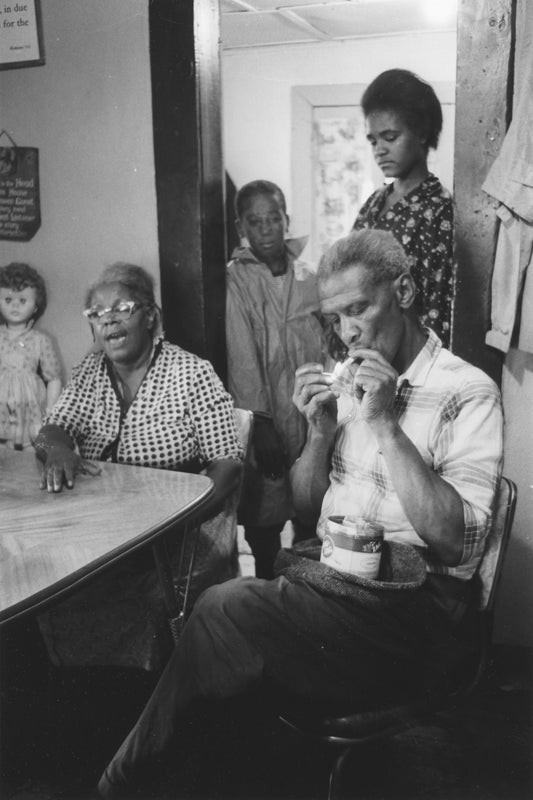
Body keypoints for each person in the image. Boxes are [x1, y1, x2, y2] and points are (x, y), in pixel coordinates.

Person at [97, 229, 503, 798]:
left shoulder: (468, 391)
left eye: (359, 309)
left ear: (405, 290)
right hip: (340, 590)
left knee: (222, 611)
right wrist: (319, 433)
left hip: (417, 615)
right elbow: (307, 508)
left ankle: (123, 781)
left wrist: (385, 424)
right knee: (225, 650)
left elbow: (456, 545)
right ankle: (179, 772)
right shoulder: (355, 380)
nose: (348, 332)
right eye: (335, 319)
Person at [34, 262, 243, 670]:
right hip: (102, 536)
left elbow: (228, 465)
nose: (107, 318)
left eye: (121, 307)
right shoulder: (89, 374)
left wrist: (177, 516)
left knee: (137, 606)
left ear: (150, 316)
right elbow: (50, 431)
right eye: (95, 313)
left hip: (176, 540)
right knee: (49, 590)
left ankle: (137, 699)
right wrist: (57, 449)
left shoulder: (192, 373)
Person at [226, 179, 327, 578]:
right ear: (241, 228)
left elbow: (328, 340)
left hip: (307, 413)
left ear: (287, 220)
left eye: (273, 218)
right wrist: (260, 421)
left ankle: (304, 584)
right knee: (263, 509)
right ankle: (267, 582)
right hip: (264, 417)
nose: (266, 228)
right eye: (255, 221)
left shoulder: (309, 276)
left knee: (310, 502)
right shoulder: (236, 279)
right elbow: (242, 356)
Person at [352, 69, 455, 347]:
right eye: (373, 140)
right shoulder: (373, 204)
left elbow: (437, 304)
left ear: (421, 132)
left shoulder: (439, 209)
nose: (379, 150)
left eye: (390, 137)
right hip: (362, 348)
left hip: (409, 358)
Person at [0, 262, 62, 449]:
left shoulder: (40, 340)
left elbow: (54, 378)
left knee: (32, 447)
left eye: (23, 300)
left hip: (30, 407)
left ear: (36, 306)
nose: (15, 306)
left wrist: (51, 409)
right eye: (8, 300)